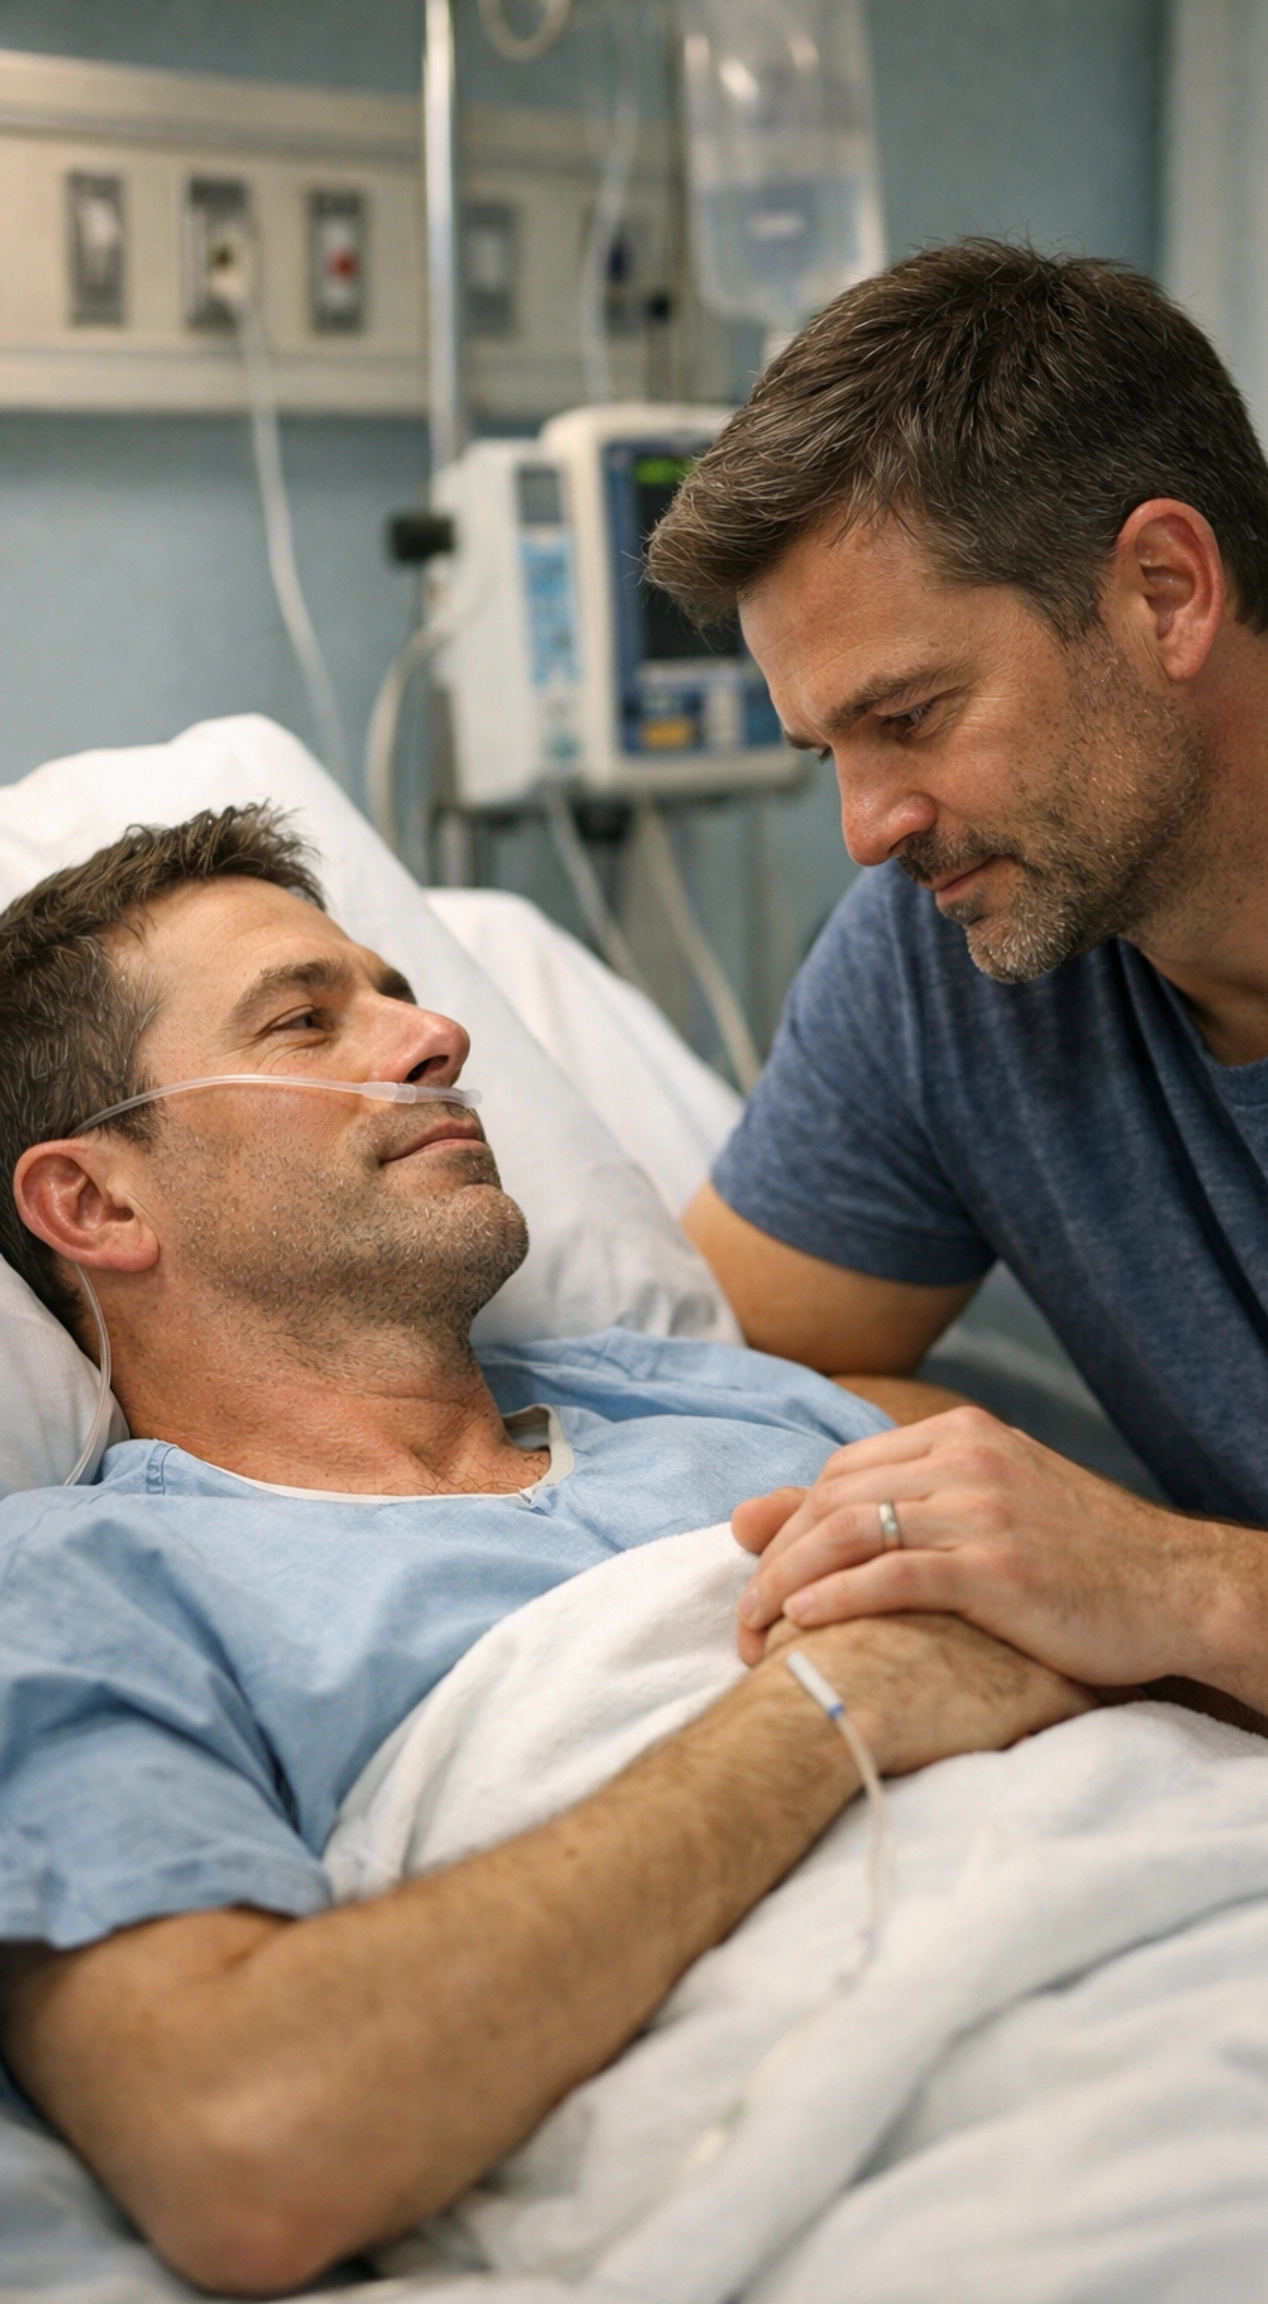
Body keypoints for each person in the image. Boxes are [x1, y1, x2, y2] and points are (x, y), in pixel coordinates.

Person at [0, 806, 1089, 2295]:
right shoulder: (80, 1593)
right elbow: (242, 2141)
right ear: (97, 1200)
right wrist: (840, 1706)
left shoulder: (741, 1398)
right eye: (307, 1020)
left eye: (401, 990)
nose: (437, 1033)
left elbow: (1157, 1641)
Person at [644, 239, 1268, 1812]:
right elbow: (742, 1364)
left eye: (910, 718)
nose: (866, 826)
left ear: (1164, 592)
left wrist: (1165, 1584)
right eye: (823, 752)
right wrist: (996, 1516)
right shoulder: (950, 954)